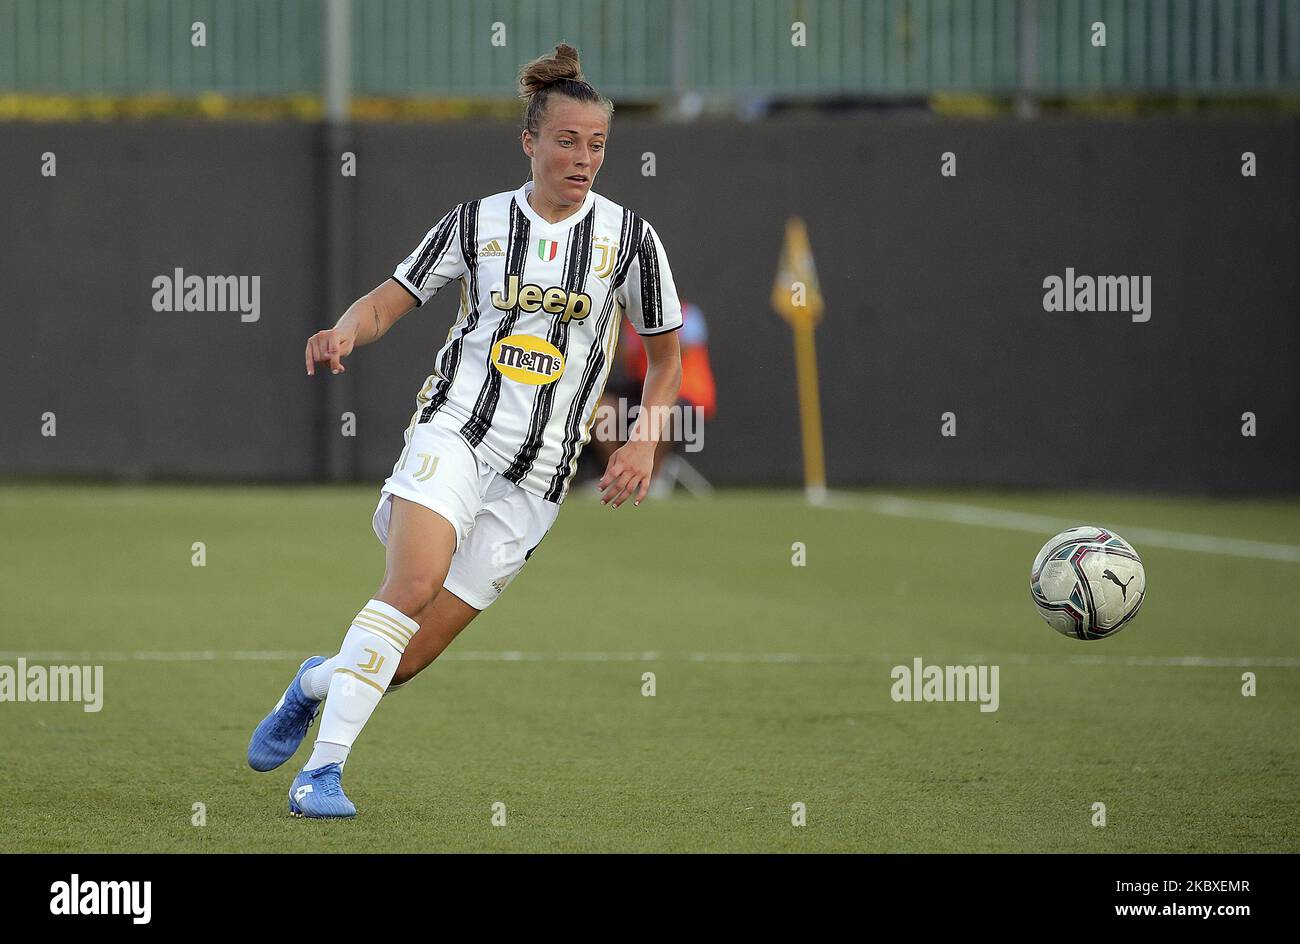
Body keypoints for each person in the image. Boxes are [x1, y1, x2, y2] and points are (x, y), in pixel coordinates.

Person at [245, 42, 683, 818]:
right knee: (409, 586)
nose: (583, 158)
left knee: (404, 662)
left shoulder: (631, 242)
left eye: (597, 144)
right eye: (566, 140)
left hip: (539, 478)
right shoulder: (477, 224)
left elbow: (666, 357)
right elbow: (390, 297)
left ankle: (315, 681)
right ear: (530, 140)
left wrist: (644, 439)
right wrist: (346, 330)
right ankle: (323, 774)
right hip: (455, 434)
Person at [590, 299, 715, 488]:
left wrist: (650, 335)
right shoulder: (632, 321)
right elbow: (627, 356)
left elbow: (678, 351)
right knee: (602, 410)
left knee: (665, 411)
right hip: (644, 393)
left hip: (688, 398)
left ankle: (653, 481)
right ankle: (616, 477)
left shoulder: (688, 315)